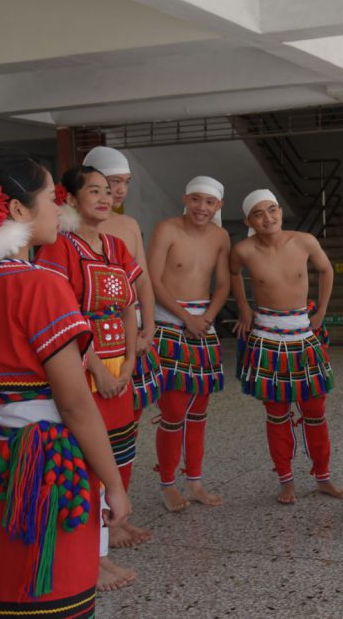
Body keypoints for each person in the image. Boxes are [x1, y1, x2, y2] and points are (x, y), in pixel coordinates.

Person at [0, 149, 129, 618]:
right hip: (39, 469)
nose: (59, 207)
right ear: (16, 209)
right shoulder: (40, 285)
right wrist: (114, 484)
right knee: (49, 597)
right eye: (52, 197)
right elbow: (75, 405)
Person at [35, 166, 142, 590]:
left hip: (121, 363)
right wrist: (95, 365)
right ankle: (89, 556)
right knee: (83, 461)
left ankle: (104, 540)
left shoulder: (116, 246)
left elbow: (128, 306)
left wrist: (131, 360)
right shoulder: (61, 247)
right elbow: (65, 314)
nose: (105, 197)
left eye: (108, 190)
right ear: (71, 200)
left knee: (117, 450)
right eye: (93, 191)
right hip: (82, 365)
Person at [231, 189, 343, 505]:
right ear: (249, 220)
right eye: (259, 213)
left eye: (272, 210)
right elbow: (232, 274)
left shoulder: (304, 241)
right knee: (276, 413)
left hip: (303, 333)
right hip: (266, 336)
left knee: (315, 411)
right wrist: (243, 307)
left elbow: (326, 269)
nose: (268, 218)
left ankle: (322, 476)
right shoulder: (242, 249)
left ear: (281, 211)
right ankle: (286, 480)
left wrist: (321, 311)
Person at [147, 176, 230, 512]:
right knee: (173, 412)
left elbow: (223, 284)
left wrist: (206, 317)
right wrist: (186, 318)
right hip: (170, 323)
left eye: (209, 202)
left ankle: (194, 482)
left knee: (199, 412)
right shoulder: (166, 229)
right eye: (196, 200)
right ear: (185, 198)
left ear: (219, 206)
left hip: (202, 326)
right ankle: (168, 484)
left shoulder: (221, 236)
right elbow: (151, 278)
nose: (202, 208)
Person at [82, 147, 164, 441]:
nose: (119, 190)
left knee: (127, 420)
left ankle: (118, 482)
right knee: (91, 423)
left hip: (132, 328)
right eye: (113, 181)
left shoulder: (129, 225)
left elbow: (142, 282)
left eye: (125, 182)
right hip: (89, 335)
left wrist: (149, 328)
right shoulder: (65, 228)